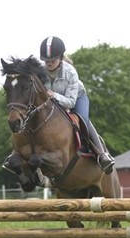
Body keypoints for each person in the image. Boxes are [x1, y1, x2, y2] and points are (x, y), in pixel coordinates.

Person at [40, 36, 115, 174]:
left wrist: (54, 95)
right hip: (52, 103)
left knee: (82, 119)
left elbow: (70, 102)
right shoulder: (40, 71)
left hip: (76, 98)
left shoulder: (70, 72)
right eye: (46, 60)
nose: (49, 63)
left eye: (52, 60)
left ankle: (102, 155)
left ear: (61, 57)